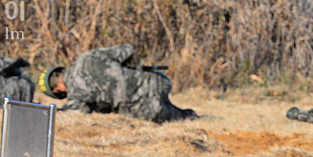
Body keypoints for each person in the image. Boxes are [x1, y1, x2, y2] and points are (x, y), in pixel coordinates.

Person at [37, 45, 197, 123]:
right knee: (188, 116)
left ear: (57, 91)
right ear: (62, 69)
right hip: (156, 81)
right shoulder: (88, 57)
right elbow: (128, 49)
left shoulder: (76, 98)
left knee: (183, 117)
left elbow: (75, 115)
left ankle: (194, 117)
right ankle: (206, 118)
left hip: (147, 108)